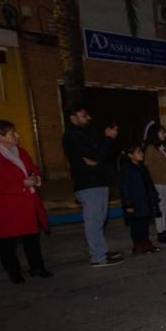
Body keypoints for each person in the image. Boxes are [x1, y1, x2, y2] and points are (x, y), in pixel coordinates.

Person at [0, 120, 51, 283]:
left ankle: (37, 267)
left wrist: (35, 178)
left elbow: (33, 169)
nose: (17, 135)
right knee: (7, 243)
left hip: (27, 205)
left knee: (32, 238)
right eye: (12, 133)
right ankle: (14, 272)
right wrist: (21, 184)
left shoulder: (21, 152)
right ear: (1, 137)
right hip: (5, 208)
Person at [61, 104, 123, 267]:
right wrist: (107, 140)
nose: (88, 118)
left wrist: (103, 146)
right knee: (94, 222)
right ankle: (98, 257)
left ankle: (100, 251)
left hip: (99, 180)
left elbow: (99, 157)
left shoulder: (87, 133)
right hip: (88, 183)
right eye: (83, 115)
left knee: (100, 220)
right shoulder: (72, 136)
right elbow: (94, 155)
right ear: (72, 117)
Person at [119, 145, 161, 255]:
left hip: (145, 200)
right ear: (130, 155)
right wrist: (128, 204)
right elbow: (125, 187)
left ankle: (146, 243)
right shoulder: (126, 169)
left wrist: (154, 196)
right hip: (134, 202)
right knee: (136, 225)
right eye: (138, 152)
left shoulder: (142, 167)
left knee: (144, 223)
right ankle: (138, 245)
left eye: (141, 152)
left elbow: (149, 184)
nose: (141, 154)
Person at [143, 122, 166, 244]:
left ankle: (163, 230)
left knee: (165, 207)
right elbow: (147, 166)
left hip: (165, 181)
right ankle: (161, 232)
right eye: (162, 132)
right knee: (160, 208)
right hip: (158, 182)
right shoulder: (150, 148)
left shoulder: (160, 147)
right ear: (155, 134)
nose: (164, 134)